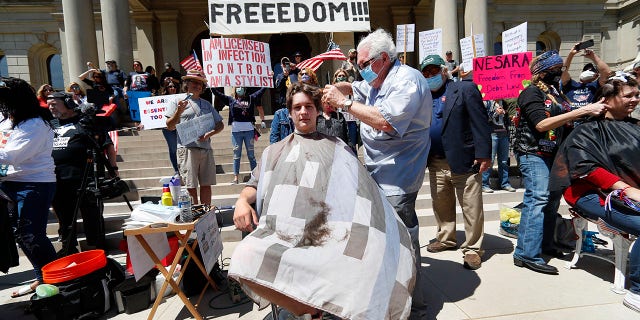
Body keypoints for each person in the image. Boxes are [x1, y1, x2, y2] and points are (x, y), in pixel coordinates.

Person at [230, 82, 416, 319]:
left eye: (308, 106)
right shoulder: (273, 152)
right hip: (283, 234)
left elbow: (361, 192)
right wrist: (242, 202)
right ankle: (308, 309)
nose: (303, 112)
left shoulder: (338, 147)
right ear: (289, 113)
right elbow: (253, 185)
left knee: (371, 256)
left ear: (317, 110)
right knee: (243, 256)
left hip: (330, 232)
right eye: (297, 107)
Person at [321, 28, 431, 319]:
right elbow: (358, 89)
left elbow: (385, 121)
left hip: (399, 176)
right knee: (384, 242)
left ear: (383, 59)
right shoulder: (378, 80)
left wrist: (344, 104)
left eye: (365, 63)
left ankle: (413, 306)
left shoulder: (407, 80)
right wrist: (340, 91)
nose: (361, 69)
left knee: (403, 242)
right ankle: (389, 298)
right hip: (378, 173)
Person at [550, 71, 640, 313]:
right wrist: (628, 190)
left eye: (637, 95)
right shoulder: (586, 131)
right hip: (590, 194)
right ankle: (637, 292)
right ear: (607, 99)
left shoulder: (636, 127)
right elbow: (585, 168)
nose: (635, 99)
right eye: (628, 95)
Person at [512, 50, 606, 275]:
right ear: (543, 72)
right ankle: (525, 254)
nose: (560, 72)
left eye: (561, 69)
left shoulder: (557, 93)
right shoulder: (531, 93)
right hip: (533, 153)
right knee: (538, 198)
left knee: (552, 201)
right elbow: (542, 125)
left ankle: (544, 245)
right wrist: (581, 110)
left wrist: (586, 115)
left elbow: (563, 120)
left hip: (554, 154)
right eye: (555, 69)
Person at [419, 54, 492, 270]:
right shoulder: (422, 96)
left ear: (444, 70)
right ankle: (446, 237)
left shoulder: (465, 89)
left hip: (464, 159)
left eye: (433, 71)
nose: (430, 76)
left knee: (471, 207)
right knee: (441, 203)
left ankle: (473, 249)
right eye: (425, 73)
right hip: (435, 161)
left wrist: (484, 154)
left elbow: (480, 122)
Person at [0, 77, 57, 298]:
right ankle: (41, 278)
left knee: (32, 234)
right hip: (10, 184)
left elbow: (13, 155)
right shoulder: (7, 120)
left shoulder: (35, 124)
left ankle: (53, 281)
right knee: (22, 235)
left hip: (34, 184)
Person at [47, 92, 118, 256]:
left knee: (92, 216)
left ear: (68, 103)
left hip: (86, 178)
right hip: (58, 179)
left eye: (54, 103)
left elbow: (107, 145)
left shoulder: (87, 122)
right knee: (65, 219)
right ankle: (68, 251)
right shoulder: (50, 125)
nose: (51, 106)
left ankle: (98, 250)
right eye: (48, 103)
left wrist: (113, 168)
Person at [165, 70, 224, 206]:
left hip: (205, 148)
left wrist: (210, 134)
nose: (198, 86)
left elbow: (220, 124)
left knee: (206, 184)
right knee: (191, 186)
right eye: (194, 82)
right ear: (187, 84)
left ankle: (206, 214)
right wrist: (179, 112)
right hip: (187, 149)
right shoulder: (176, 101)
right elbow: (169, 126)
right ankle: (195, 216)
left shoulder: (207, 104)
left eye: (200, 83)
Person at [211, 86, 266, 184]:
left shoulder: (250, 98)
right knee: (236, 155)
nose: (240, 89)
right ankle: (236, 177)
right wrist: (211, 84)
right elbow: (217, 94)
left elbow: (261, 91)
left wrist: (268, 79)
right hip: (236, 131)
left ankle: (255, 176)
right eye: (238, 87)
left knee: (251, 155)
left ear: (244, 90)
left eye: (242, 87)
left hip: (249, 130)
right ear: (235, 89)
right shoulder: (230, 100)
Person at [482, 100, 516, 193]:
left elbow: (507, 119)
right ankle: (484, 184)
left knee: (504, 161)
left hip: (504, 134)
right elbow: (483, 119)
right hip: (492, 134)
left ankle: (504, 183)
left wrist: (510, 118)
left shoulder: (504, 103)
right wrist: (495, 113)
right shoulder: (487, 103)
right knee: (490, 160)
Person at [330, 68, 358, 154]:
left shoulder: (352, 89)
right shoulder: (332, 90)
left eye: (343, 76)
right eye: (339, 76)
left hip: (351, 121)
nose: (341, 77)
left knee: (352, 146)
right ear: (336, 78)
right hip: (338, 120)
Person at [160, 77, 180, 174]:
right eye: (170, 86)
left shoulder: (181, 97)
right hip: (167, 128)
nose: (173, 88)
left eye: (174, 86)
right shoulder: (159, 100)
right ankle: (176, 169)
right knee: (173, 148)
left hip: (180, 126)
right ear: (166, 88)